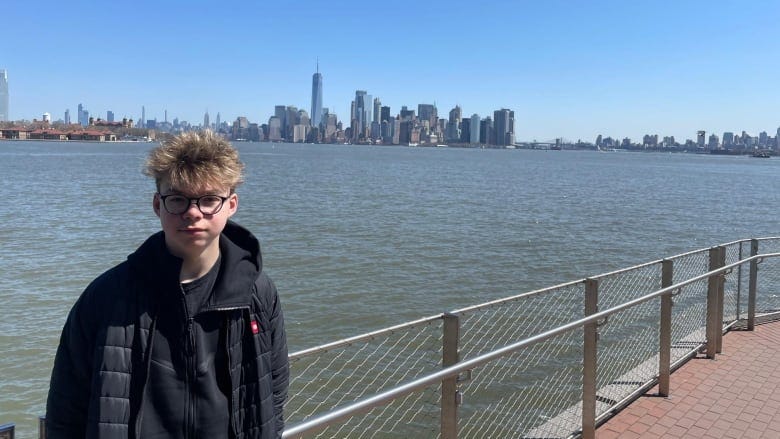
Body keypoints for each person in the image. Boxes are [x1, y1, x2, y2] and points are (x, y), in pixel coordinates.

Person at [46, 131, 289, 438]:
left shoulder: (259, 293)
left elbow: (275, 390)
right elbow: (66, 411)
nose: (193, 213)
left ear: (231, 205)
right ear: (157, 205)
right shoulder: (106, 298)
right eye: (177, 199)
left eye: (210, 200)